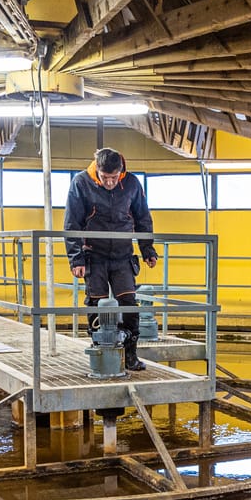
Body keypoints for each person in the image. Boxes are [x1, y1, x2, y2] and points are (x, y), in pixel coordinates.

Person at [64, 147, 158, 371]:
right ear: (97, 169)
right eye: (105, 177)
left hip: (122, 255)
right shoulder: (81, 183)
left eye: (114, 178)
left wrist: (147, 250)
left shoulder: (132, 184)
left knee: (129, 303)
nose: (109, 182)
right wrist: (76, 259)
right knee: (97, 303)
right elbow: (72, 222)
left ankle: (130, 354)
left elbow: (142, 217)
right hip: (93, 254)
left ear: (121, 171)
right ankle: (100, 351)